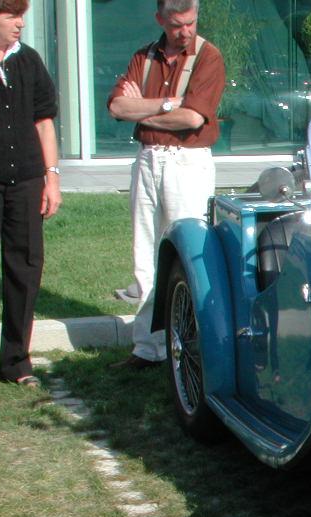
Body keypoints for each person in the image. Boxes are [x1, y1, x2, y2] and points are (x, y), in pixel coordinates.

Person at [107, 0, 224, 370]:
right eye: (176, 24)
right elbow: (117, 107)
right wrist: (167, 105)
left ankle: (191, 343)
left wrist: (142, 109)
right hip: (148, 158)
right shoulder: (144, 57)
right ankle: (148, 347)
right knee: (145, 251)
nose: (184, 31)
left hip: (186, 160)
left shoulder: (208, 57)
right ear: (160, 19)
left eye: (190, 22)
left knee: (188, 250)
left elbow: (193, 118)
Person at [0, 0, 60, 407]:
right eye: (11, 16)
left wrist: (52, 178)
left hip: (27, 181)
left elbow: (44, 121)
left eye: (23, 15)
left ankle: (16, 361)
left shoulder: (28, 60)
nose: (20, 23)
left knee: (25, 268)